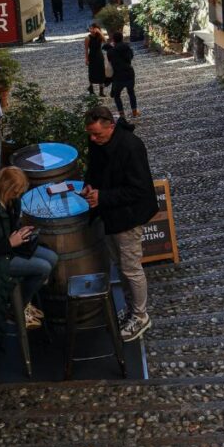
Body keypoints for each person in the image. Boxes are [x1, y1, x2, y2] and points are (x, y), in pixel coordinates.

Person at [81, 106, 158, 342]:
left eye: (97, 135)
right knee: (121, 265)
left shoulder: (131, 147)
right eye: (90, 135)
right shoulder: (98, 142)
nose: (93, 139)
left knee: (131, 268)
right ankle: (131, 308)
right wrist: (89, 185)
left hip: (128, 216)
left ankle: (141, 316)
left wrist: (102, 197)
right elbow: (94, 169)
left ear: (111, 127)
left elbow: (140, 189)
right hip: (111, 215)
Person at [0, 167, 59, 335]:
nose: (17, 196)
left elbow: (7, 227)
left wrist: (21, 232)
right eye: (16, 193)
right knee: (43, 268)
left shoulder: (6, 200)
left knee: (52, 257)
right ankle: (16, 308)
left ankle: (24, 300)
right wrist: (10, 243)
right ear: (7, 189)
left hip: (6, 250)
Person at [106, 31, 140, 119]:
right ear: (122, 38)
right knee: (131, 92)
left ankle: (122, 114)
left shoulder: (110, 51)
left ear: (113, 40)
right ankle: (134, 112)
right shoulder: (127, 47)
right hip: (129, 73)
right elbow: (131, 57)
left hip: (118, 75)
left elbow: (109, 62)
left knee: (117, 96)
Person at [85, 23, 107, 96]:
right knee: (92, 72)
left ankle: (101, 91)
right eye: (90, 28)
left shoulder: (99, 36)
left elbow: (105, 41)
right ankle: (91, 88)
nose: (91, 30)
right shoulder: (88, 38)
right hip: (92, 56)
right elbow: (86, 50)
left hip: (99, 56)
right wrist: (86, 59)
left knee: (101, 72)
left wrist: (100, 32)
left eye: (93, 28)